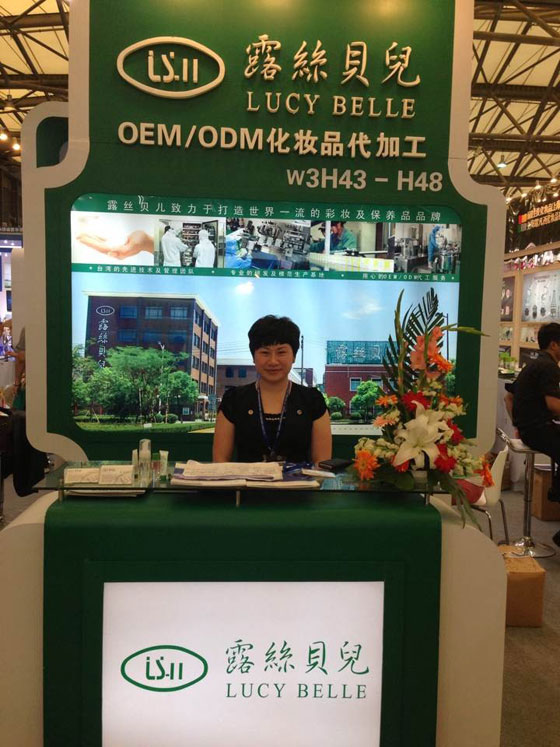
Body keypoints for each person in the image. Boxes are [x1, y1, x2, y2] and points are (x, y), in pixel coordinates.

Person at [213, 315, 332, 463]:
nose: (273, 361)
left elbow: (322, 463)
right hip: (245, 479)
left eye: (281, 352)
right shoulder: (234, 400)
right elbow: (220, 461)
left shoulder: (312, 400)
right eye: (265, 353)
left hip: (299, 479)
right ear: (254, 357)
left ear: (294, 356)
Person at [504, 323, 560, 547]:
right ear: (554, 344)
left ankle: (556, 491)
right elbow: (553, 405)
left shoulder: (534, 364)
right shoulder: (549, 367)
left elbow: (508, 398)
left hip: (530, 430)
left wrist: (518, 424)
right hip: (539, 430)